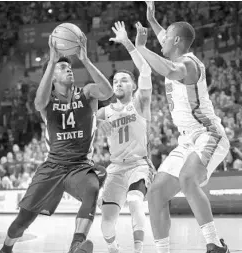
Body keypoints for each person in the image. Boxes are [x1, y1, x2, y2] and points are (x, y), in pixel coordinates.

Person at [0, 32, 113, 253]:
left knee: (91, 187)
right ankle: (6, 249)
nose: (68, 69)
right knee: (24, 219)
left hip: (79, 165)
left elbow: (107, 91)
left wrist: (86, 60)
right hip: (52, 166)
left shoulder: (86, 93)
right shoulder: (47, 100)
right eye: (62, 68)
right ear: (52, 77)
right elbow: (38, 102)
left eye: (68, 67)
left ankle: (76, 245)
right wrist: (52, 61)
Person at [135, 2, 231, 253]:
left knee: (188, 179)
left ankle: (214, 245)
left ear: (176, 40)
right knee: (155, 193)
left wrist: (141, 48)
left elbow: (168, 68)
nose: (161, 40)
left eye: (165, 37)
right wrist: (153, 19)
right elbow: (165, 43)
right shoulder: (176, 51)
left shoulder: (187, 64)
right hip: (187, 140)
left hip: (208, 134)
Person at [97, 21, 154, 253]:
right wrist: (95, 122)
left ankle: (138, 249)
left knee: (134, 200)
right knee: (106, 221)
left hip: (139, 165)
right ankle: (113, 249)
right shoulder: (105, 111)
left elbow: (147, 71)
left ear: (133, 86)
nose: (118, 83)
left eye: (124, 80)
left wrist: (127, 43)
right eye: (115, 81)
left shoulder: (140, 102)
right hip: (115, 168)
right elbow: (82, 120)